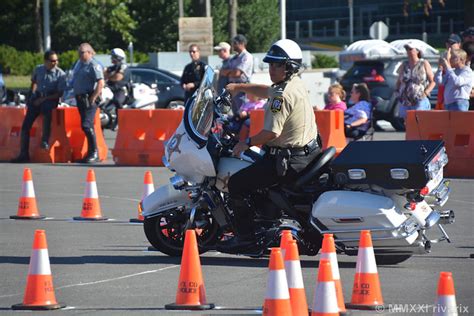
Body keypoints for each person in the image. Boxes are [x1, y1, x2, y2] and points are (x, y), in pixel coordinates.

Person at [217, 39, 320, 253]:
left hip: (288, 160)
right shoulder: (293, 84)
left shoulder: (281, 97)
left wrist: (245, 143)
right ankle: (264, 221)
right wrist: (239, 87)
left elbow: (271, 132)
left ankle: (245, 239)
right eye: (270, 64)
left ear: (289, 67)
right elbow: (268, 90)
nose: (272, 69)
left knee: (237, 183)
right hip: (306, 154)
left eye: (277, 65)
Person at [11, 50, 66, 163]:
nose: (55, 63)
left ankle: (45, 140)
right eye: (52, 61)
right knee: (26, 125)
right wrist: (31, 96)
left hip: (50, 99)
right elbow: (34, 82)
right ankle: (23, 154)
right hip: (37, 98)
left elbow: (60, 93)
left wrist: (44, 99)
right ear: (45, 61)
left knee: (47, 112)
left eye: (56, 60)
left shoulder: (60, 74)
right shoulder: (38, 69)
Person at [72, 43, 104, 163]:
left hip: (89, 98)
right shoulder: (79, 64)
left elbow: (100, 83)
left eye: (82, 52)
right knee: (85, 125)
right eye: (79, 52)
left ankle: (94, 152)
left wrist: (93, 97)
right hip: (80, 98)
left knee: (87, 125)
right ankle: (90, 152)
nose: (80, 55)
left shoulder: (93, 65)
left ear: (90, 53)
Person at [395, 41, 435, 121]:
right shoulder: (404, 64)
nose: (408, 51)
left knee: (419, 123)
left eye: (410, 49)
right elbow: (399, 81)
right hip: (405, 100)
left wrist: (425, 93)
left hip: (419, 99)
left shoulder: (423, 63)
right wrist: (397, 93)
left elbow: (433, 81)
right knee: (408, 124)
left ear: (417, 51)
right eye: (407, 49)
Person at [220, 34, 254, 113]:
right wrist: (230, 72)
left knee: (242, 112)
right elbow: (222, 72)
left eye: (235, 43)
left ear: (242, 43)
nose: (233, 45)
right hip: (233, 89)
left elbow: (237, 73)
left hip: (242, 88)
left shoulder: (247, 56)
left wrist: (228, 72)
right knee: (235, 113)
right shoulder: (235, 57)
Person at [436, 34, 462, 109]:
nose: (449, 45)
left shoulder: (462, 57)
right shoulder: (443, 56)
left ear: (459, 44)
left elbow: (455, 79)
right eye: (448, 43)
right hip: (443, 96)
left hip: (455, 98)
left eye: (452, 43)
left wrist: (447, 61)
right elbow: (438, 80)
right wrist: (440, 67)